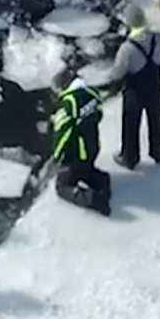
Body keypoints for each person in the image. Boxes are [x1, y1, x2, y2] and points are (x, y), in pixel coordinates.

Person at [101, 4, 160, 170]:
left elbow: (117, 74)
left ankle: (129, 157)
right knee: (157, 121)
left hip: (135, 92)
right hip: (156, 87)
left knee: (131, 124)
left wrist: (104, 77)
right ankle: (157, 152)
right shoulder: (157, 38)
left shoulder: (126, 48)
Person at [50, 68, 119, 216]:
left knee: (62, 186)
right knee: (85, 170)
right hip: (92, 145)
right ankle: (101, 180)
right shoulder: (92, 94)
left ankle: (93, 199)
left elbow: (63, 133)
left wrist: (57, 155)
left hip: (76, 153)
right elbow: (98, 114)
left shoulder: (68, 104)